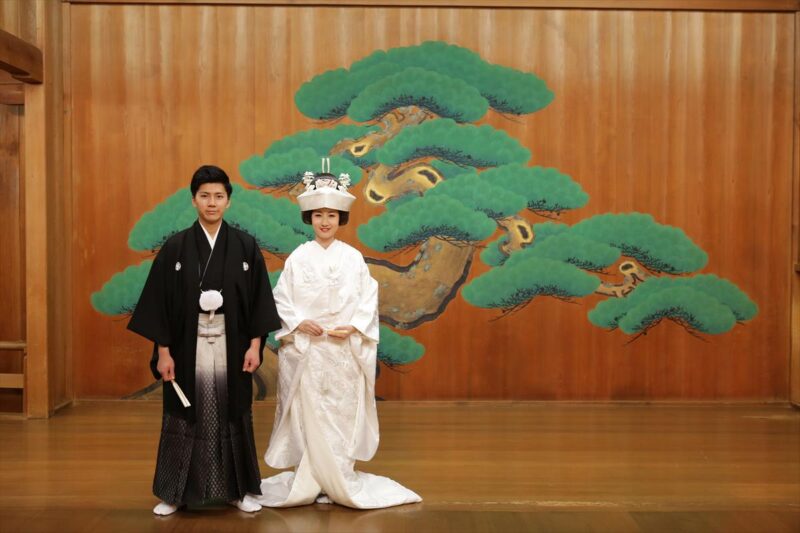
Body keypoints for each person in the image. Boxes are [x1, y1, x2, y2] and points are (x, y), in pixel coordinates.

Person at [258, 159, 421, 509]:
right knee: (309, 414)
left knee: (341, 413)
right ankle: (312, 478)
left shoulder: (353, 259)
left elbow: (368, 296)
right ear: (309, 218)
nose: (325, 221)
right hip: (309, 351)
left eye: (332, 215)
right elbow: (281, 298)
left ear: (340, 219)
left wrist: (356, 326)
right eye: (318, 215)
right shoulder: (298, 258)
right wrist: (299, 322)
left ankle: (340, 476)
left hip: (343, 349)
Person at [128, 165, 282, 516]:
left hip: (232, 344)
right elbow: (160, 303)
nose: (212, 203)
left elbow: (260, 301)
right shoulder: (176, 247)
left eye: (219, 196)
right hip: (186, 346)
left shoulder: (244, 246)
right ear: (193, 199)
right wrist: (163, 352)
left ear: (228, 201)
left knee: (232, 414)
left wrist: (256, 345)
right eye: (204, 196)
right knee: (184, 415)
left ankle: (237, 490)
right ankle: (175, 492)